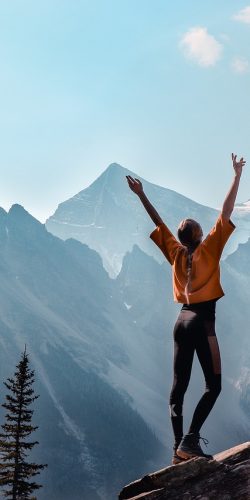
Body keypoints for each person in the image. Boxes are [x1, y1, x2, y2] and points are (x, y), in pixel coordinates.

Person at [126, 153, 246, 464]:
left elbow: (158, 222)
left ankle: (178, 450)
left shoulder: (176, 254)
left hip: (180, 322)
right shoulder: (210, 249)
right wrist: (236, 176)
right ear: (199, 235)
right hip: (203, 323)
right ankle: (191, 440)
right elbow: (227, 210)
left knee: (178, 387)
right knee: (214, 385)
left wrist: (142, 195)